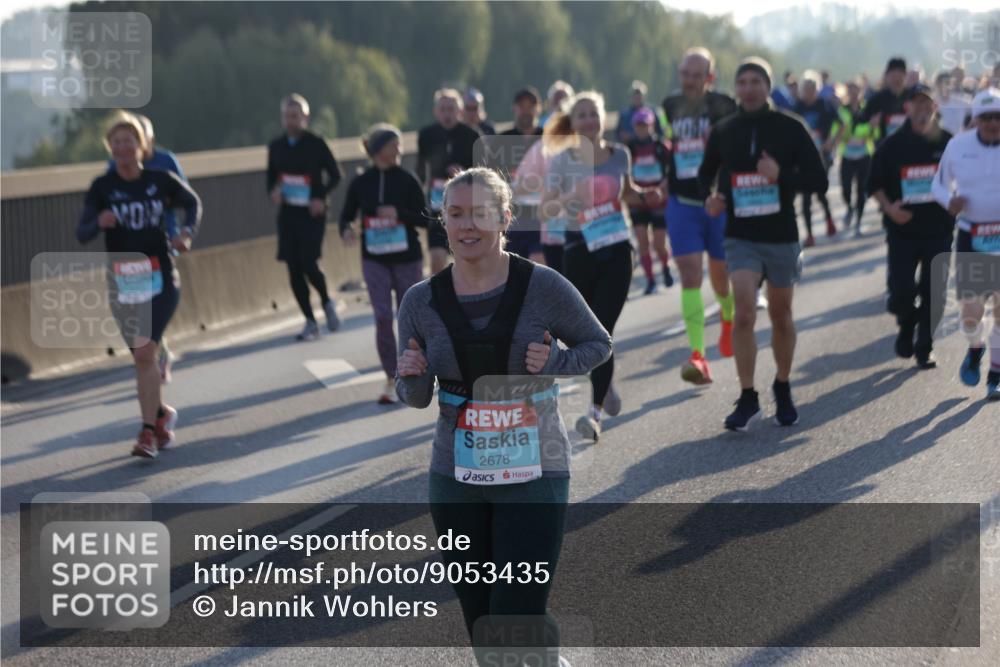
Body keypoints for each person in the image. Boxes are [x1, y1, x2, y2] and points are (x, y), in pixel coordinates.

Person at [395, 167, 611, 666]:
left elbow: (597, 344)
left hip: (535, 470)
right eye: (455, 214)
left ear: (505, 218)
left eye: (480, 213)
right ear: (442, 222)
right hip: (455, 477)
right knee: (482, 619)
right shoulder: (419, 301)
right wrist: (410, 374)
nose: (467, 225)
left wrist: (555, 362)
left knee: (516, 608)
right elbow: (415, 397)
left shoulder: (543, 286)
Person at [698, 57, 829, 431]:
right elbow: (704, 175)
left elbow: (818, 181)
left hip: (781, 235)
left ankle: (783, 385)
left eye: (756, 81)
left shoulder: (791, 128)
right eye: (743, 82)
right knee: (743, 311)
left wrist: (780, 175)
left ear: (768, 87)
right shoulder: (724, 130)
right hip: (741, 235)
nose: (749, 88)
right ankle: (747, 395)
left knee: (781, 316)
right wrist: (710, 197)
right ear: (736, 88)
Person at [77, 112, 202, 458]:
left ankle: (147, 434)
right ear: (110, 148)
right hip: (123, 282)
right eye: (116, 142)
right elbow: (82, 231)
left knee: (146, 352)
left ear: (141, 146)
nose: (122, 148)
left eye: (128, 141)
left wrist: (186, 233)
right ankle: (161, 415)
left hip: (159, 276)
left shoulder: (160, 180)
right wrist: (98, 222)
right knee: (142, 359)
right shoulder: (102, 188)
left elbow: (192, 203)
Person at [542, 91, 663, 440]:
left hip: (616, 251)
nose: (589, 122)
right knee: (582, 335)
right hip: (579, 251)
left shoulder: (619, 154)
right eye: (581, 116)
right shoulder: (562, 160)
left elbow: (623, 191)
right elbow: (547, 208)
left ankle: (593, 415)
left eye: (593, 114)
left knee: (602, 331)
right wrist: (571, 196)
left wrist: (643, 195)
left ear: (602, 118)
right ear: (572, 122)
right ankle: (604, 380)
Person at [662, 47, 738, 385]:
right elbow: (665, 145)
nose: (690, 82)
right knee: (690, 275)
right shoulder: (669, 106)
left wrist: (724, 192)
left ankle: (727, 316)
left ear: (710, 77)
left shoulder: (724, 106)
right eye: (685, 75)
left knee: (721, 279)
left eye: (697, 75)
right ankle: (698, 355)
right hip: (682, 204)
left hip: (716, 205)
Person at [339, 124, 427, 404]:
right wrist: (347, 230)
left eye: (400, 145)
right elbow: (345, 216)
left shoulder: (408, 179)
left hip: (406, 258)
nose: (399, 150)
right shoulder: (361, 182)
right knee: (381, 317)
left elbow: (426, 218)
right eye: (394, 146)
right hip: (374, 258)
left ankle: (416, 371)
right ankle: (392, 377)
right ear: (378, 150)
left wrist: (399, 214)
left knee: (408, 318)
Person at [868, 84, 954, 370]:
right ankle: (907, 324)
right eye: (916, 103)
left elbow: (965, 179)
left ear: (934, 107)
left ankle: (924, 347)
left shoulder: (948, 143)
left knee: (934, 292)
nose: (922, 108)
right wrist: (890, 208)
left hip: (939, 230)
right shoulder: (891, 146)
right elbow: (874, 185)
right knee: (901, 293)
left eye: (926, 103)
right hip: (902, 231)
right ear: (907, 108)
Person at [105, 113, 184, 384]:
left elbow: (183, 196)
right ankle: (156, 354)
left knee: (154, 302)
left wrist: (179, 231)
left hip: (162, 242)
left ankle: (155, 354)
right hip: (130, 250)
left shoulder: (166, 161)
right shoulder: (115, 166)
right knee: (140, 305)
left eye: (141, 137)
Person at [932, 88, 1000, 399]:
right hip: (973, 234)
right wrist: (950, 202)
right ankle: (975, 349)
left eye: (998, 117)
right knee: (972, 313)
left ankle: (995, 375)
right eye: (986, 117)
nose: (992, 123)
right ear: (975, 120)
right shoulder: (957, 146)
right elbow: (938, 184)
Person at [266, 93, 342, 342]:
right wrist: (274, 192)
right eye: (287, 116)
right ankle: (310, 321)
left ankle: (326, 301)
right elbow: (270, 180)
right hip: (289, 214)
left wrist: (321, 197)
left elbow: (335, 175)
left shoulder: (316, 143)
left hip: (313, 214)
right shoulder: (276, 146)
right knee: (293, 268)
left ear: (305, 117)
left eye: (296, 116)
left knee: (309, 262)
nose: (291, 121)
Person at [417, 88, 483, 275]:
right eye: (443, 109)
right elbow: (420, 171)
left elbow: (484, 172)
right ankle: (440, 299)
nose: (447, 114)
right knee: (437, 258)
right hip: (437, 202)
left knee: (466, 258)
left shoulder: (472, 135)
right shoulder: (426, 135)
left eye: (451, 109)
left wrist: (464, 173)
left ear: (459, 111)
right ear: (436, 112)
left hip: (466, 204)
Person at [626, 106, 673, 294]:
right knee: (642, 241)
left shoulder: (661, 147)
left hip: (658, 201)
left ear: (652, 125)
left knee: (659, 244)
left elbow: (671, 173)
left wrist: (661, 190)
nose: (642, 129)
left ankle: (665, 265)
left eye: (645, 125)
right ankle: (650, 280)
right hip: (637, 201)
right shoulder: (629, 149)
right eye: (638, 125)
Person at [501, 87, 546, 264]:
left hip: (543, 215)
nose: (526, 111)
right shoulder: (503, 140)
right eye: (522, 106)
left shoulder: (549, 137)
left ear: (539, 108)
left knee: (539, 261)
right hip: (514, 217)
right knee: (514, 267)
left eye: (531, 106)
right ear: (514, 108)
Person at [794, 70, 840, 245]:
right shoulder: (797, 107)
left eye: (812, 88)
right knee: (805, 196)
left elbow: (841, 124)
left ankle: (829, 220)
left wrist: (831, 142)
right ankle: (810, 234)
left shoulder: (825, 105)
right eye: (805, 88)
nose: (808, 92)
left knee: (820, 191)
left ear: (817, 89)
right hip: (803, 157)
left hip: (822, 155)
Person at [830, 80, 876, 235]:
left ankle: (858, 222)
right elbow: (837, 130)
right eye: (851, 91)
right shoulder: (842, 111)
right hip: (847, 155)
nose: (854, 94)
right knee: (845, 188)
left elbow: (874, 131)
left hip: (864, 154)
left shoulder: (867, 109)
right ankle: (850, 208)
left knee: (862, 190)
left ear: (860, 92)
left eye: (856, 90)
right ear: (847, 93)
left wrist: (865, 131)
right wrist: (839, 137)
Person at [857, 57, 910, 143]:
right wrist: (870, 126)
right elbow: (858, 128)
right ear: (886, 77)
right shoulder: (876, 100)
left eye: (900, 76)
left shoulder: (914, 98)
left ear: (905, 76)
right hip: (883, 150)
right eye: (893, 76)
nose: (896, 80)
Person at [934, 70, 972, 137]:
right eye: (944, 83)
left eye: (949, 83)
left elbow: (977, 114)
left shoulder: (962, 102)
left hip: (957, 142)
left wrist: (968, 131)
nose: (947, 86)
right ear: (937, 84)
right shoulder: (931, 103)